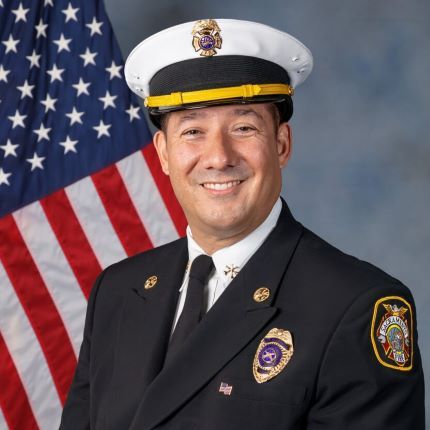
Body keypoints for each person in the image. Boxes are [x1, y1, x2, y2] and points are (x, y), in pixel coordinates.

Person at [60, 19, 425, 429]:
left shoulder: (357, 307)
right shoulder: (117, 292)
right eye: (193, 131)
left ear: (282, 144)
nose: (218, 156)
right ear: (163, 154)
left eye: (243, 128)